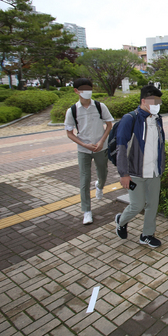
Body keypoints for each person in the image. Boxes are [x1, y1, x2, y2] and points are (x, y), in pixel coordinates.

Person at [114, 85, 166, 248]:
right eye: (154, 101)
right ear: (144, 101)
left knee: (152, 205)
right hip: (135, 172)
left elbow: (160, 144)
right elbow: (121, 147)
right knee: (137, 205)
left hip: (154, 171)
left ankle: (147, 235)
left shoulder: (158, 118)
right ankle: (121, 221)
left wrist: (161, 166)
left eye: (159, 101)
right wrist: (124, 174)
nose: (157, 105)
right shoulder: (130, 119)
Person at [64, 78, 114, 225]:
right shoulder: (72, 110)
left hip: (100, 148)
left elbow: (109, 125)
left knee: (103, 173)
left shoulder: (99, 106)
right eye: (84, 89)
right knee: (84, 179)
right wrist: (84, 145)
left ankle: (99, 186)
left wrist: (101, 141)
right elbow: (69, 133)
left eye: (90, 88)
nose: (88, 91)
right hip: (83, 150)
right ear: (76, 91)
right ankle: (87, 211)